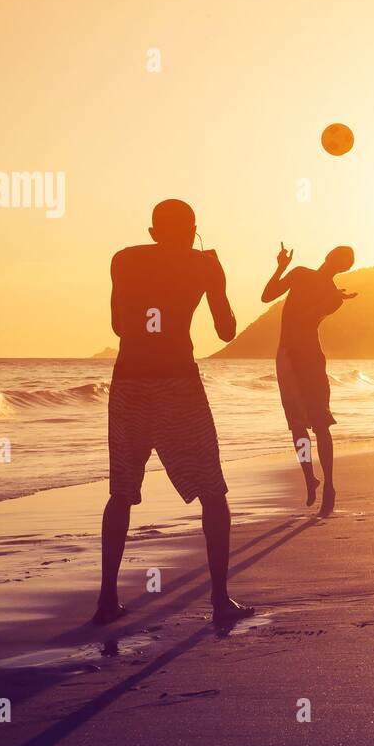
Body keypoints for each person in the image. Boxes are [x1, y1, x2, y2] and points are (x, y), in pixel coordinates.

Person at [94, 199, 251, 626]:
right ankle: (220, 599)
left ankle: (107, 600)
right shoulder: (204, 265)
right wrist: (214, 281)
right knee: (212, 492)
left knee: (121, 491)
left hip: (128, 381)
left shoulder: (123, 260)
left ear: (152, 232)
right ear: (193, 228)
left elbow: (119, 326)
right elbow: (226, 329)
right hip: (178, 382)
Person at [262, 242, 356, 517]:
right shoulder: (311, 281)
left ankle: (325, 485)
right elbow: (268, 297)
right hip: (291, 357)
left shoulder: (321, 289)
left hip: (304, 358)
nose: (338, 264)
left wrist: (285, 270)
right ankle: (314, 479)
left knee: (315, 424)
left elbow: (299, 314)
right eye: (340, 261)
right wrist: (283, 268)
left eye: (342, 263)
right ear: (332, 259)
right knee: (302, 425)